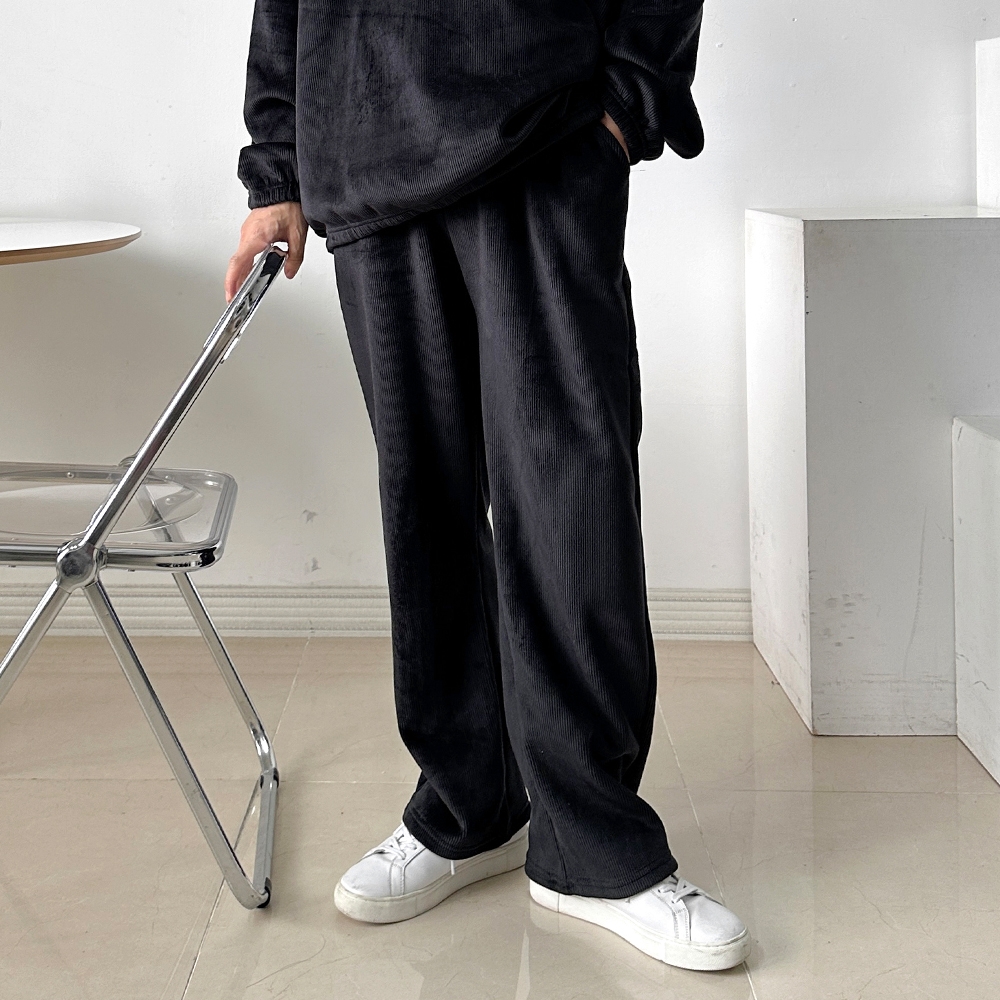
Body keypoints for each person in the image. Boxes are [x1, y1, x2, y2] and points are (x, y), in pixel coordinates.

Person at [226, 0, 750, 973]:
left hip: (540, 133)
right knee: (423, 502)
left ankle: (592, 841)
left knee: (567, 490)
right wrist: (279, 169)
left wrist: (628, 102)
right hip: (363, 152)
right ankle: (467, 807)